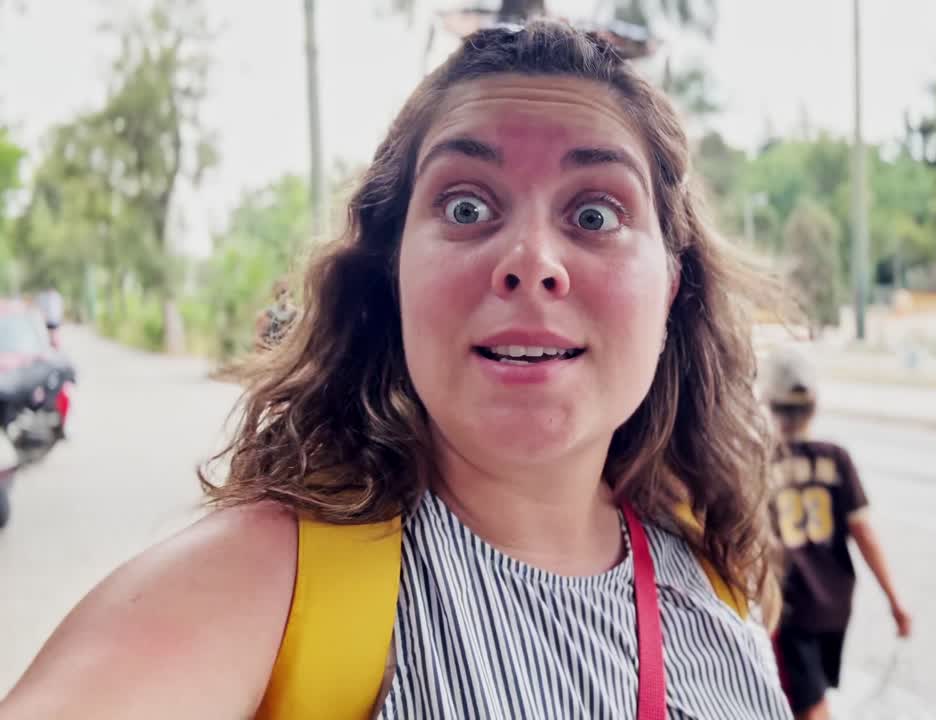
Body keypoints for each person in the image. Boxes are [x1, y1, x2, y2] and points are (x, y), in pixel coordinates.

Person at [1, 21, 792, 719]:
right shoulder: (264, 586)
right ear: (393, 274)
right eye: (466, 207)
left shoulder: (716, 582)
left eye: (594, 214)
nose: (530, 263)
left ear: (671, 286)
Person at [761, 348, 912, 720]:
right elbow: (865, 535)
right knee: (812, 697)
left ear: (767, 403)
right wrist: (894, 600)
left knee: (806, 705)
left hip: (788, 607)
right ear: (814, 405)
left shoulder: (760, 461)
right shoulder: (836, 458)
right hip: (834, 605)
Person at [254, 278, 298, 353]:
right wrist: (269, 348)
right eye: (283, 292)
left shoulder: (296, 314)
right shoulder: (265, 315)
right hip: (269, 352)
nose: (286, 295)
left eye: (289, 293)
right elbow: (257, 339)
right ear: (276, 295)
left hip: (288, 352)